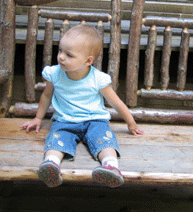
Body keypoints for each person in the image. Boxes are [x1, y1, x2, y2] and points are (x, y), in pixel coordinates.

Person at [21, 24, 144, 188]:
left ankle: (110, 167)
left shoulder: (97, 79)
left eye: (69, 55)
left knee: (104, 140)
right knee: (56, 139)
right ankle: (51, 166)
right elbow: (46, 95)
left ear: (88, 61)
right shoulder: (55, 74)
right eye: (60, 51)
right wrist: (38, 118)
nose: (61, 57)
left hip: (95, 120)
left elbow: (116, 102)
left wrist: (131, 123)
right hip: (64, 121)